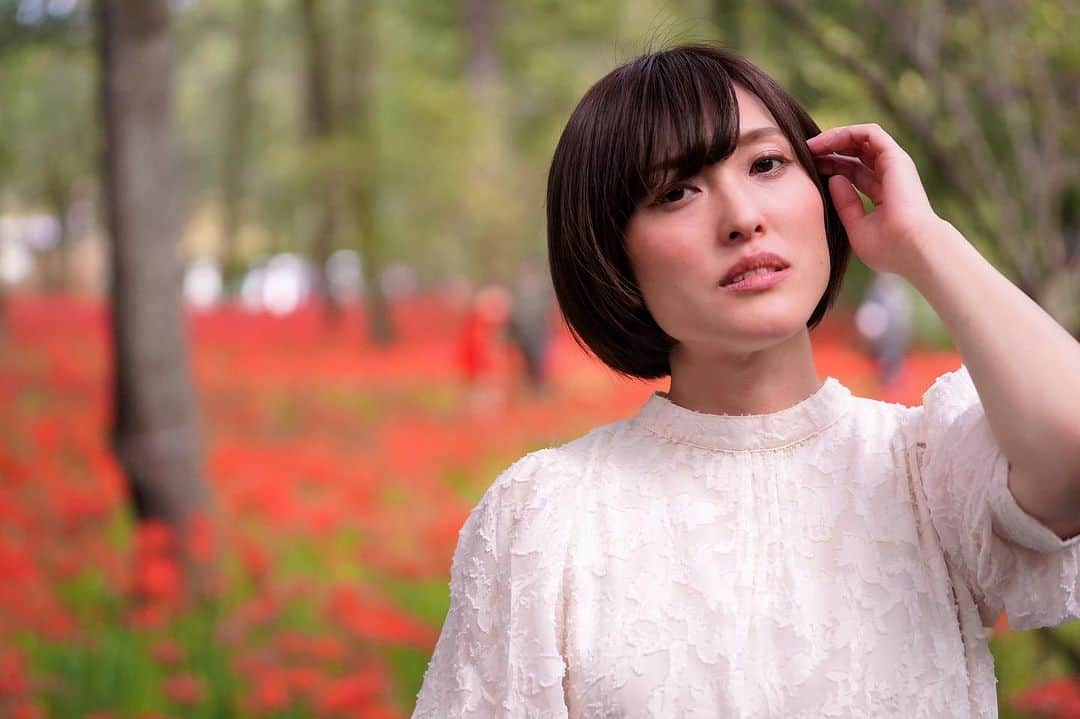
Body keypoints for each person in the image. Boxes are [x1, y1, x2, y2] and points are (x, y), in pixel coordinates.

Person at [414, 44, 1080, 718]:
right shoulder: (548, 517)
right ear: (613, 256)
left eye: (767, 164)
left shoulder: (928, 471)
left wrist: (922, 239)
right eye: (675, 191)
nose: (741, 216)